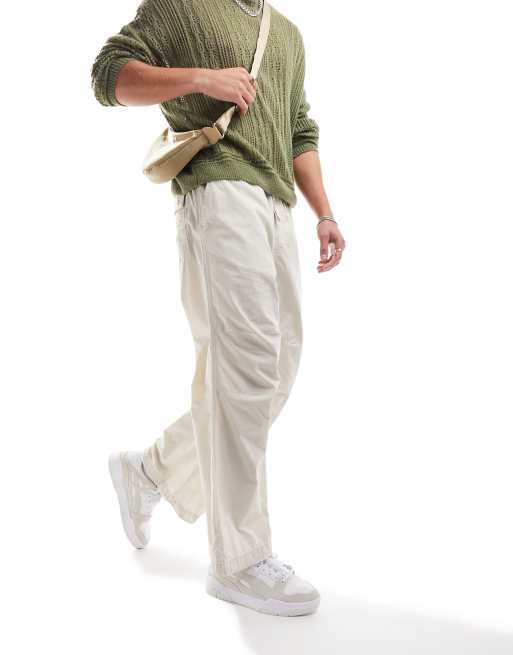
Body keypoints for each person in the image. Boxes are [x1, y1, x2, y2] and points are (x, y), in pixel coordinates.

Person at [91, 0, 345, 617]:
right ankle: (238, 559)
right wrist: (203, 79)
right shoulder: (181, 6)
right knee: (248, 367)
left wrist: (325, 213)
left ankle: (151, 472)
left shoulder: (287, 33)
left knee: (273, 371)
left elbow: (299, 130)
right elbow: (109, 75)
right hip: (219, 188)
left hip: (278, 205)